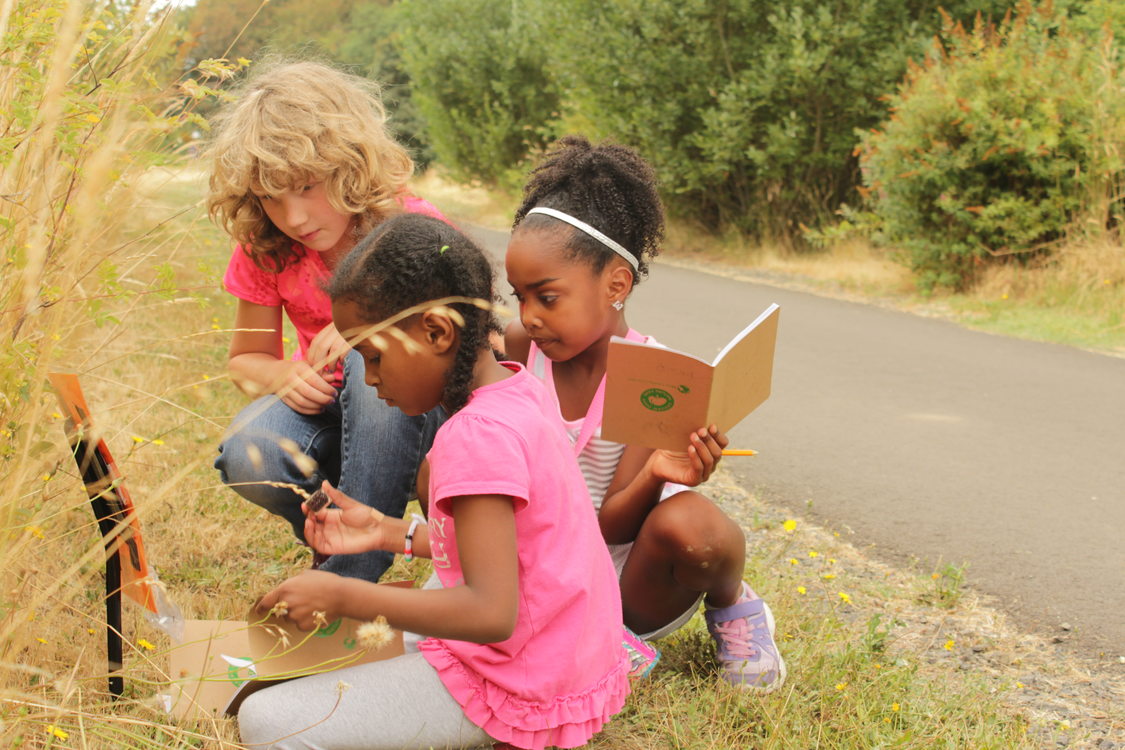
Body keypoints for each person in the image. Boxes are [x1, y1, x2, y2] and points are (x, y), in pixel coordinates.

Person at [238, 214, 631, 750]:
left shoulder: (474, 437)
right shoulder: (519, 387)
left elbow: (491, 613)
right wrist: (386, 532)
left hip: (522, 680)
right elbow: (513, 547)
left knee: (264, 719)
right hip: (567, 649)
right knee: (385, 631)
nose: (369, 380)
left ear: (437, 332)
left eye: (374, 358)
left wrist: (343, 592)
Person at [503, 135, 786, 692]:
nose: (530, 316)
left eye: (547, 296)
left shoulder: (653, 375)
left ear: (615, 284)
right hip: (534, 568)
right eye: (519, 297)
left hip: (622, 577)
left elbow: (611, 525)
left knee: (697, 527)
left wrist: (660, 471)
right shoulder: (517, 349)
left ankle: (734, 607)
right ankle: (583, 640)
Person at [206, 60, 446, 583]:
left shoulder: (412, 227)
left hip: (423, 416)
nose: (294, 217)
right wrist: (278, 376)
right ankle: (338, 532)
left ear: (350, 165)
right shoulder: (266, 249)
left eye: (307, 187)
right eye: (271, 197)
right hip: (331, 418)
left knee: (371, 359)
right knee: (251, 451)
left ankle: (347, 580)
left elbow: (464, 333)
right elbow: (245, 362)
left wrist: (371, 324)